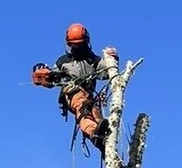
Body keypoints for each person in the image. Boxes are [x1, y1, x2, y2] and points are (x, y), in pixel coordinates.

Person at [31, 23, 119, 154]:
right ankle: (93, 132)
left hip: (90, 97)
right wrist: (45, 76)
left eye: (80, 44)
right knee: (82, 109)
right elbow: (53, 78)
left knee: (98, 118)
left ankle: (108, 152)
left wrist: (112, 59)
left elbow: (106, 72)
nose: (77, 48)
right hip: (72, 93)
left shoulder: (93, 60)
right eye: (74, 45)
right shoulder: (63, 61)